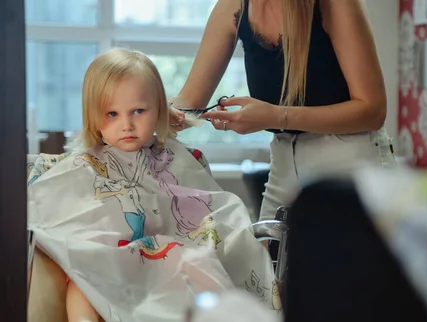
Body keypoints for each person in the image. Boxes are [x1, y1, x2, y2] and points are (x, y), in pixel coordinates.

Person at [27, 48, 279, 322]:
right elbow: (48, 212)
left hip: (170, 261)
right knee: (82, 281)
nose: (127, 125)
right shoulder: (83, 164)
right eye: (112, 113)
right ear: (92, 114)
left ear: (160, 107)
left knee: (202, 269)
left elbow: (207, 211)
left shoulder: (179, 158)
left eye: (138, 111)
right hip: (107, 261)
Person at [168, 0, 396, 222]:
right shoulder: (234, 6)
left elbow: (373, 110)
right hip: (284, 162)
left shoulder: (335, 4)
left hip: (351, 164)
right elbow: (189, 104)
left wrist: (276, 116)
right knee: (268, 257)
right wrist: (154, 111)